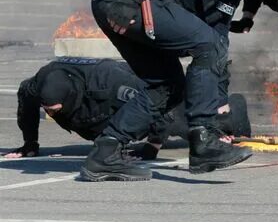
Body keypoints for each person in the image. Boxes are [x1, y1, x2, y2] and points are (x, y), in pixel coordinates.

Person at [83, 0, 257, 181]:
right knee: (203, 45)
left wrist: (220, 102)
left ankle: (106, 152)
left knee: (167, 85)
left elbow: (218, 41)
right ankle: (202, 140)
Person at [2, 58, 251, 160]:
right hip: (100, 115)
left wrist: (151, 148)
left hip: (138, 88)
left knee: (185, 122)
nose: (52, 115)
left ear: (70, 96)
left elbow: (160, 109)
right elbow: (26, 105)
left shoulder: (110, 85)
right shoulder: (37, 86)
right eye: (49, 110)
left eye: (55, 110)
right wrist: (30, 145)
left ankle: (227, 113)